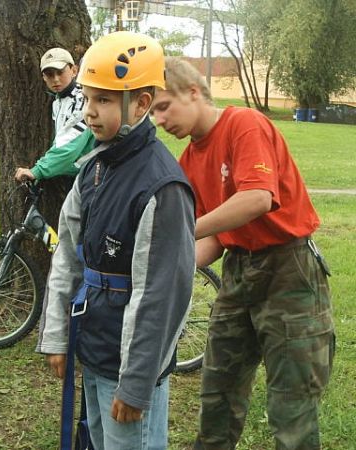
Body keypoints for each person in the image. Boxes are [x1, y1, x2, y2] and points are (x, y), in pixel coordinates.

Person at [151, 57, 335, 450]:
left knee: (292, 404)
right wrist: (172, 266)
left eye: (164, 107)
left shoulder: (243, 124)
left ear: (194, 92)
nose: (159, 121)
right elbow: (215, 237)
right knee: (218, 390)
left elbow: (256, 198)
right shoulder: (188, 161)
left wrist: (181, 230)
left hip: (289, 270)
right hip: (239, 271)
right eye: (152, 112)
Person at [36, 32, 195, 450]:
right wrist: (57, 335)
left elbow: (161, 294)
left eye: (104, 100)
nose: (89, 112)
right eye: (87, 99)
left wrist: (138, 382)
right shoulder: (94, 169)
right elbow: (68, 257)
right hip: (95, 346)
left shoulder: (161, 188)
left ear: (141, 104)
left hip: (129, 366)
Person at [14, 47, 93, 186]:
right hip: (81, 177)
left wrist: (38, 170)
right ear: (44, 77)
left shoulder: (83, 99)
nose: (56, 79)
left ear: (74, 70)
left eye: (60, 72)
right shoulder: (58, 102)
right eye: (50, 74)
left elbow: (69, 144)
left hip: (96, 177)